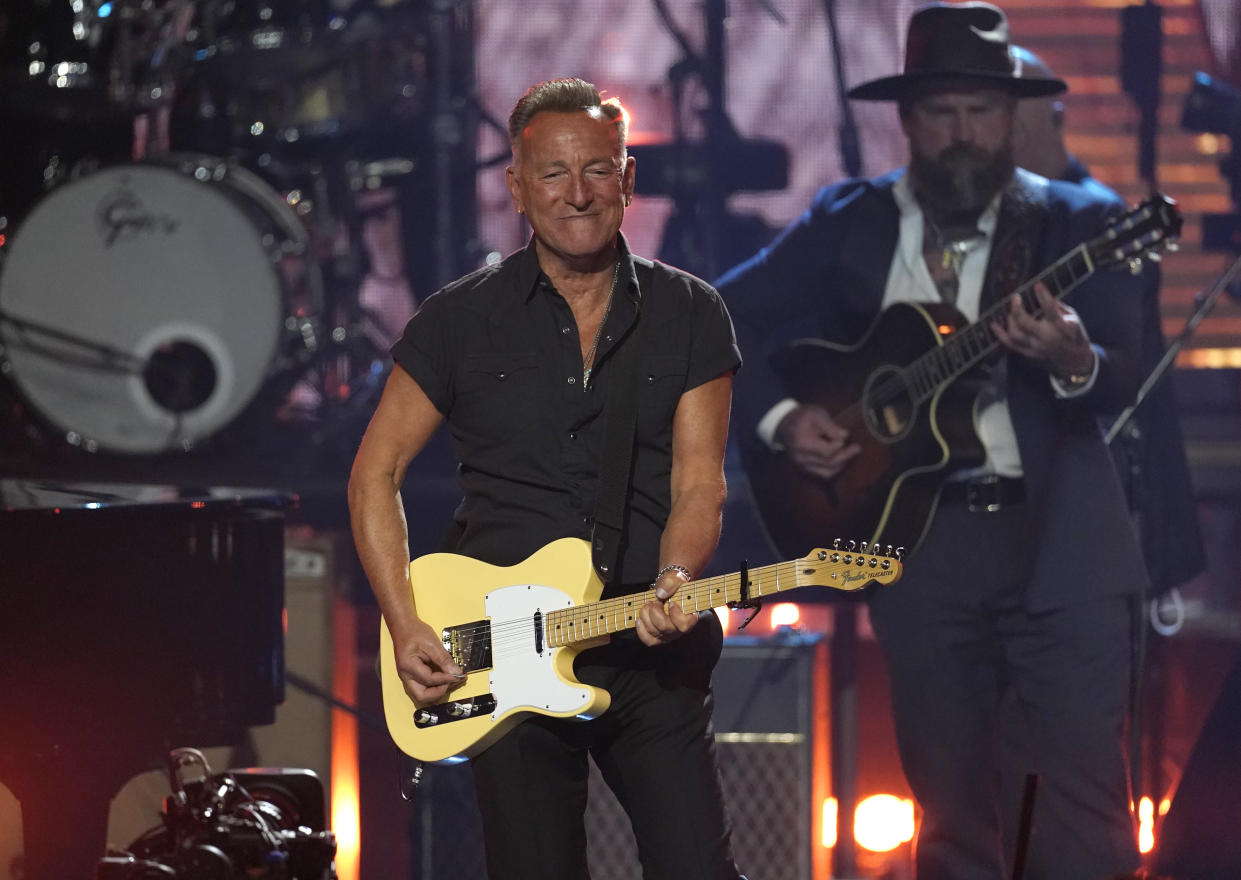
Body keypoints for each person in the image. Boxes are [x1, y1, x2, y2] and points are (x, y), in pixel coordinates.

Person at [716, 4, 1150, 879]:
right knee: (950, 814)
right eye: (941, 112)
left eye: (981, 111)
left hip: (1061, 540)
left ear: (1013, 116)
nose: (961, 134)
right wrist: (783, 420)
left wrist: (1070, 357)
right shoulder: (852, 220)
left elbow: (1126, 366)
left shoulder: (1079, 222)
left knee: (1080, 811)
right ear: (906, 120)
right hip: (915, 544)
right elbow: (714, 315)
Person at [348, 77, 745, 880]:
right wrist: (405, 624)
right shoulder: (458, 320)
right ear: (517, 188)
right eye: (553, 173)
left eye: (598, 170)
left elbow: (700, 484)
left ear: (628, 179)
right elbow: (374, 475)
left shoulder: (690, 312)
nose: (577, 194)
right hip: (502, 658)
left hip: (646, 654)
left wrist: (675, 578)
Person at [1010, 43, 1205, 597]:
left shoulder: (1100, 220)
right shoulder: (1011, 220)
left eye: (1002, 107)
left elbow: (1120, 370)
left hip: (1108, 504)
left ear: (1051, 117)